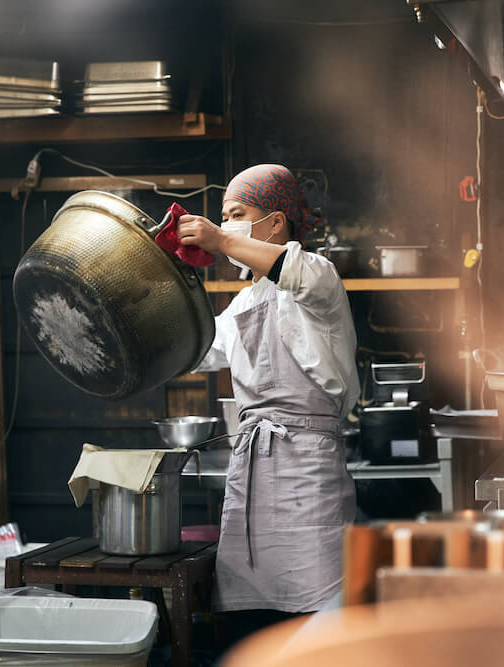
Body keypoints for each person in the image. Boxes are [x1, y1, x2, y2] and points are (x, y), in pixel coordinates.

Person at [177, 163, 359, 644]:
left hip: (308, 469)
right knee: (250, 617)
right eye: (223, 218)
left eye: (237, 214)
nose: (226, 224)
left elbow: (290, 271)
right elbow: (193, 351)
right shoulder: (240, 306)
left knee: (316, 618)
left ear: (275, 222)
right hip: (253, 473)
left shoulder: (317, 277)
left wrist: (217, 240)